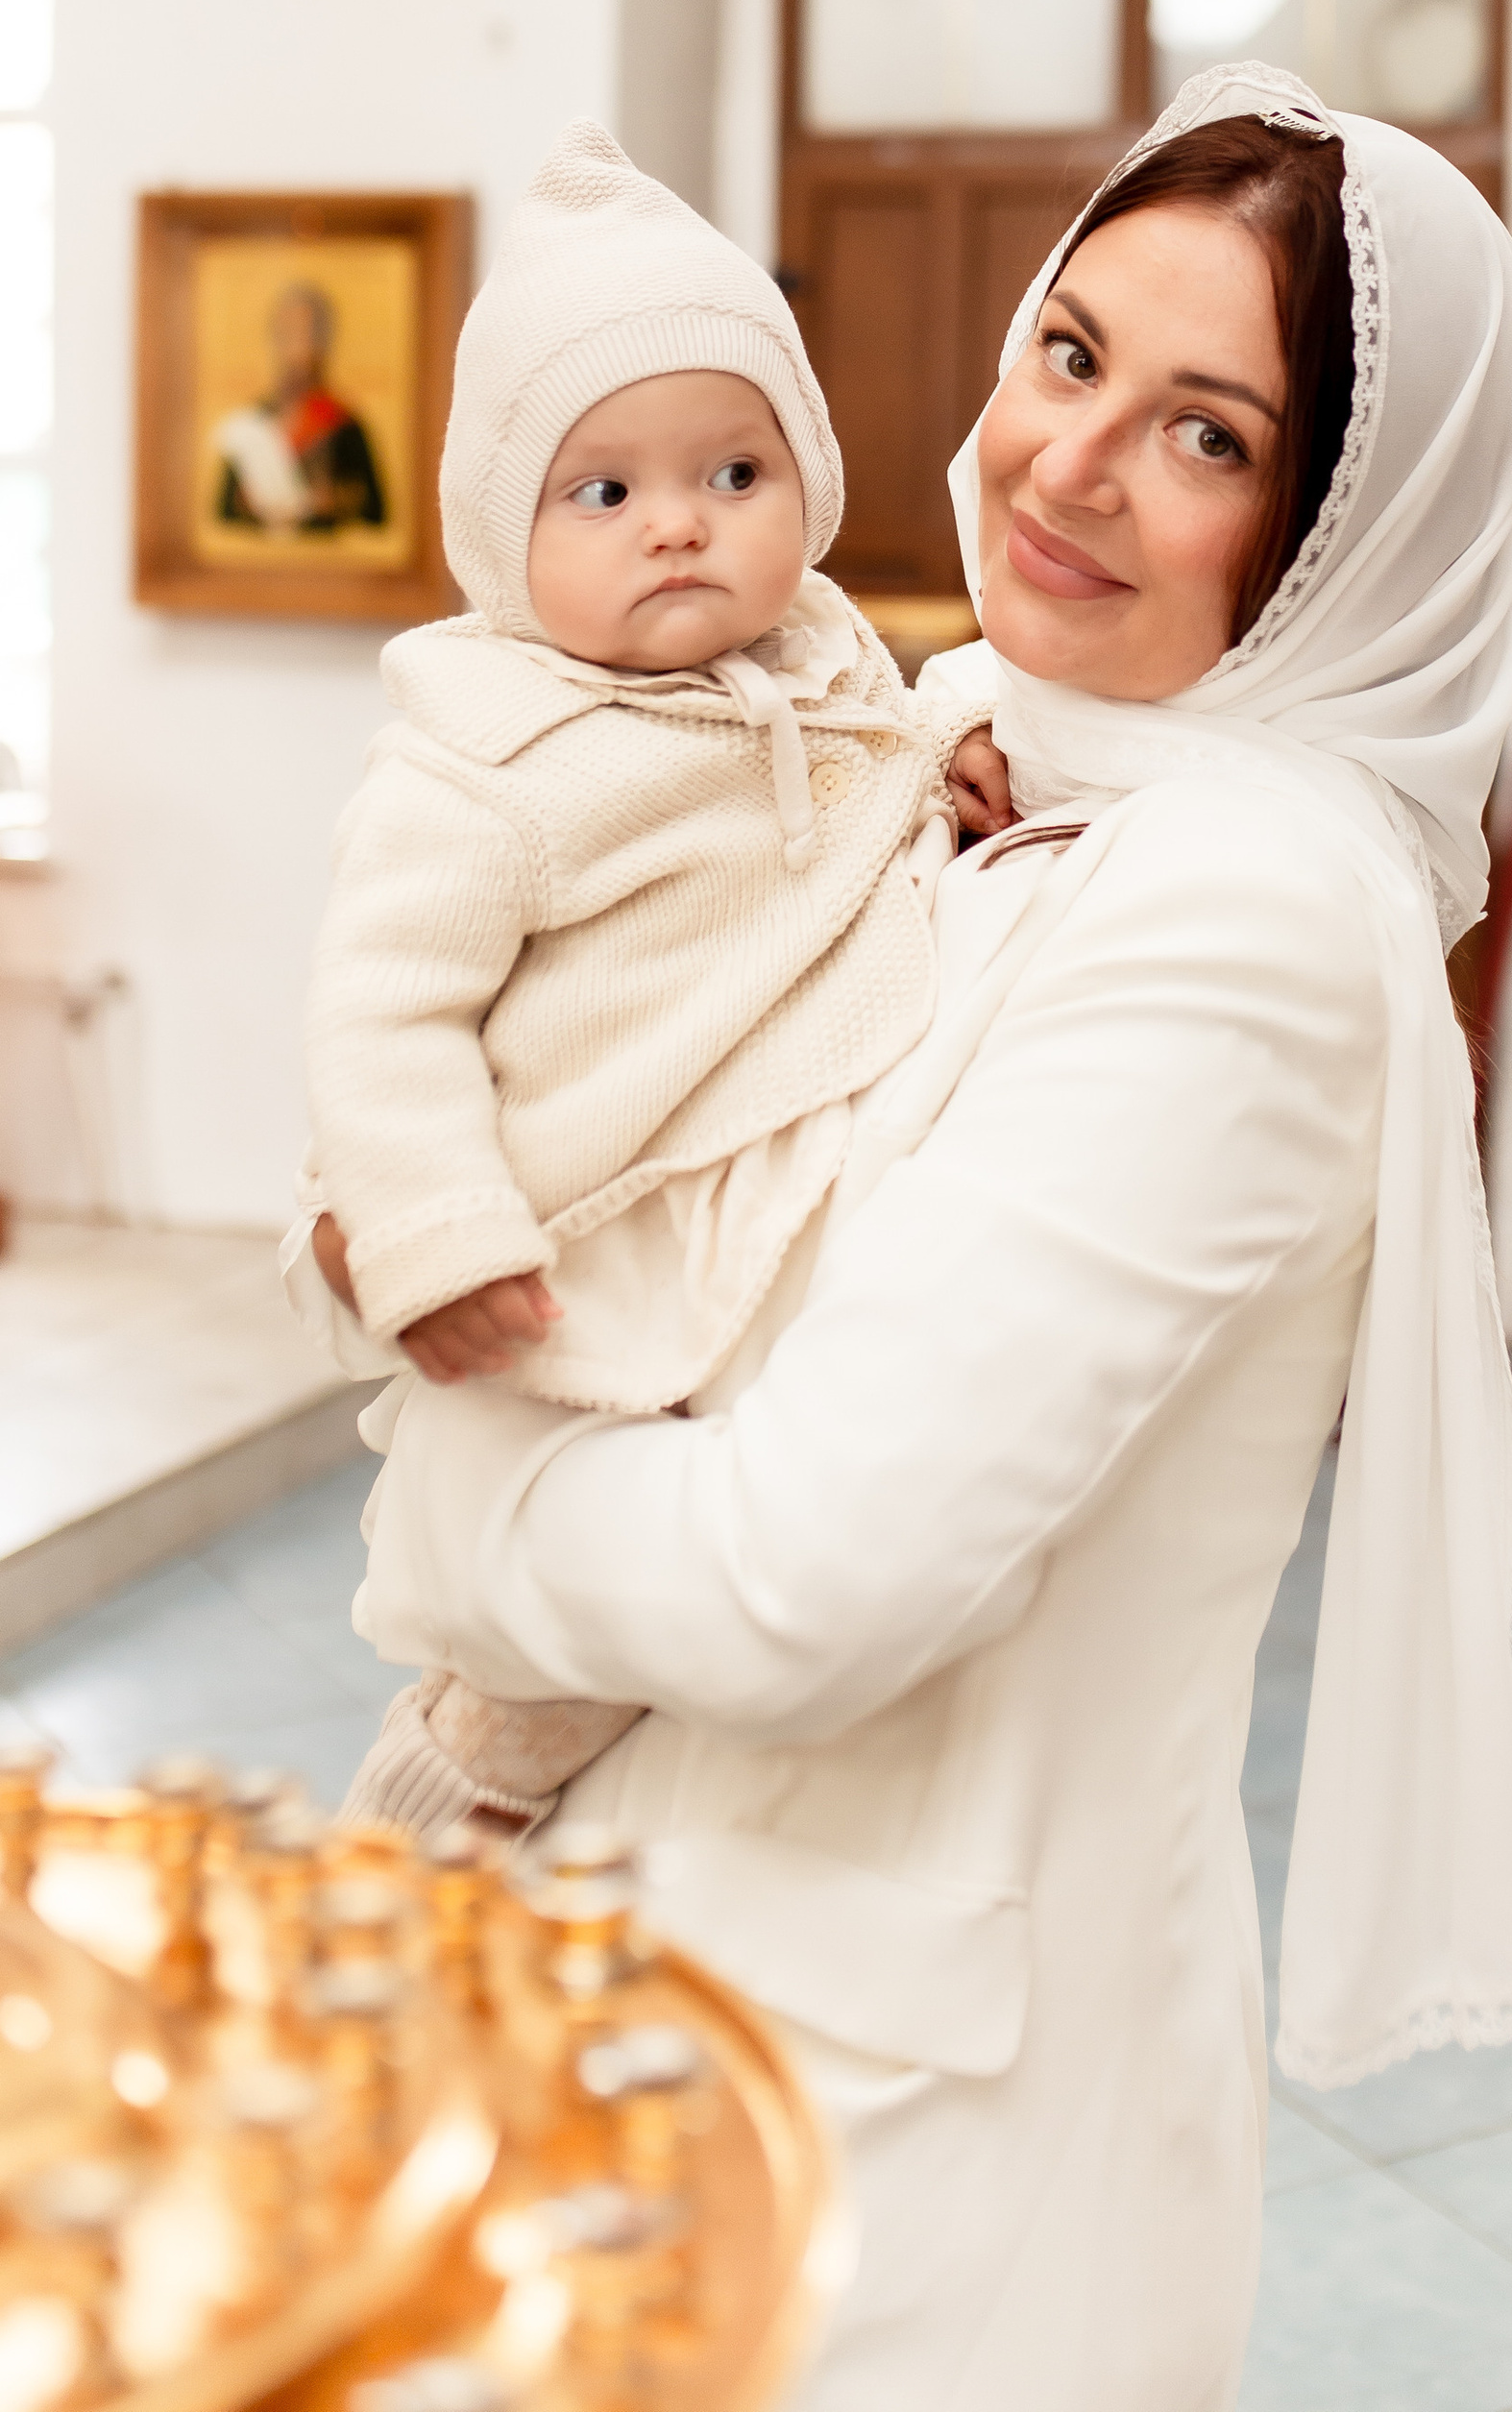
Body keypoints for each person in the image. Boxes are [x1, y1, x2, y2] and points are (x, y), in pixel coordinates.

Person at [300, 62, 1512, 2412]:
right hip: (654, 1991)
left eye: (1205, 434)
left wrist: (442, 1493)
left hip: (920, 2143)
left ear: (1334, 530)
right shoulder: (956, 738)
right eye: (1067, 353)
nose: (1066, 462)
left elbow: (803, 1569)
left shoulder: (1254, 913)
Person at [300, 125, 1004, 1838]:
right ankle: (428, 1818)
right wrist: (432, 1231)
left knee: (744, 1602)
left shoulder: (829, 661)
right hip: (588, 1243)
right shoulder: (486, 760)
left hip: (765, 1208)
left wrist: (961, 742)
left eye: (734, 476)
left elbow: (867, 763)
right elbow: (380, 1021)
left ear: (811, 484)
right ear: (500, 528)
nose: (678, 528)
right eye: (603, 492)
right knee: (561, 1643)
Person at [213, 279, 390, 532]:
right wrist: (251, 505)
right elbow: (224, 511)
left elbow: (376, 511)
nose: (300, 347)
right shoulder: (250, 423)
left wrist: (337, 504)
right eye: (289, 333)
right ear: (274, 339)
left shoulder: (345, 423)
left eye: (310, 333)